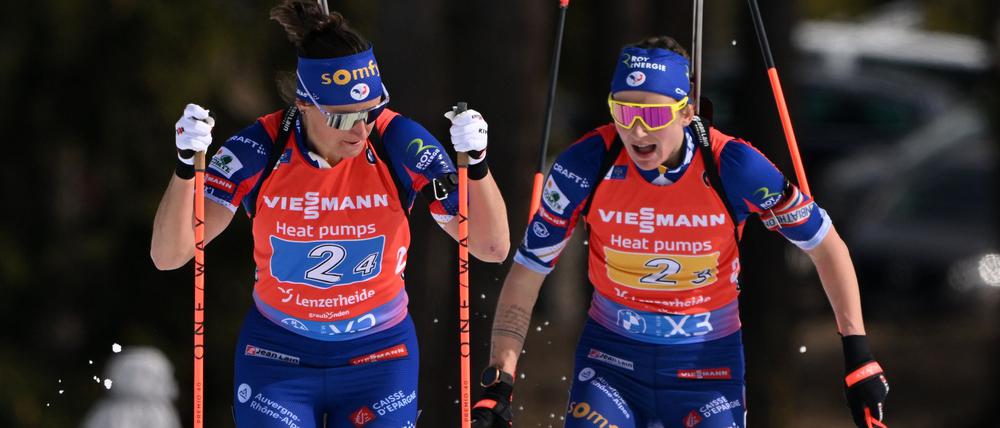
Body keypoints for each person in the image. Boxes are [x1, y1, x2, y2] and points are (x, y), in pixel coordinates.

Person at [471, 36, 889, 428]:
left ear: (687, 111)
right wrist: (499, 380)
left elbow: (824, 245)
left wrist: (858, 353)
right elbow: (527, 272)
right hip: (611, 363)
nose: (636, 130)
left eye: (652, 114)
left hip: (707, 368)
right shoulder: (585, 164)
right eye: (623, 111)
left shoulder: (734, 166)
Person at [150, 1, 510, 426]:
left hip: (379, 354)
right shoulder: (261, 148)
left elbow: (491, 247)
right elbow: (169, 255)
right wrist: (184, 168)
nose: (361, 130)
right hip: (277, 355)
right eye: (344, 118)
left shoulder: (398, 142)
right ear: (304, 105)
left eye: (371, 111)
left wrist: (479, 166)